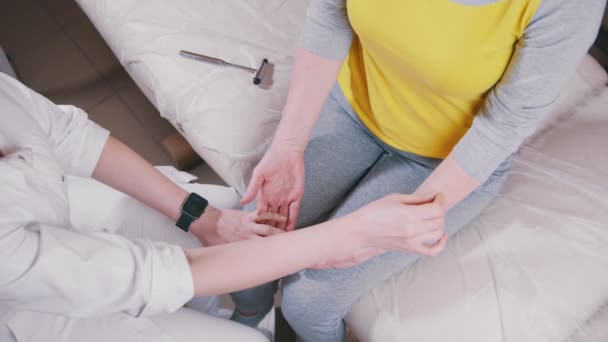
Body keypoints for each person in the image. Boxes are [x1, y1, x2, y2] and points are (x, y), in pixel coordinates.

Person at [232, 0, 606, 341]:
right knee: (250, 239)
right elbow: (330, 14)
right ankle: (250, 320)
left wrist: (391, 228)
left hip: (449, 159)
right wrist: (288, 147)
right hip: (352, 108)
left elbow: (504, 125)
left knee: (309, 301)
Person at [0, 72, 448, 342]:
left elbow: (68, 135)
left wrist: (203, 217)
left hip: (57, 211)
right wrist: (349, 235)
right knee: (286, 313)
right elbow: (155, 274)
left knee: (235, 214)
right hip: (31, 312)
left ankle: (246, 314)